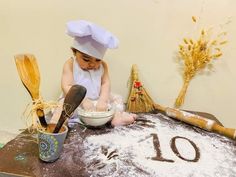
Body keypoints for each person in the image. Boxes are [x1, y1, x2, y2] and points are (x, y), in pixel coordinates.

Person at [51, 20, 136, 127]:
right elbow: (66, 86)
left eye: (97, 60)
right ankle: (58, 123)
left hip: (97, 102)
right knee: (62, 106)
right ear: (74, 52)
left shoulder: (103, 66)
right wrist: (83, 101)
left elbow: (105, 84)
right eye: (86, 59)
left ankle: (117, 117)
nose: (92, 64)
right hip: (75, 103)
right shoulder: (70, 64)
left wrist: (103, 100)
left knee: (117, 99)